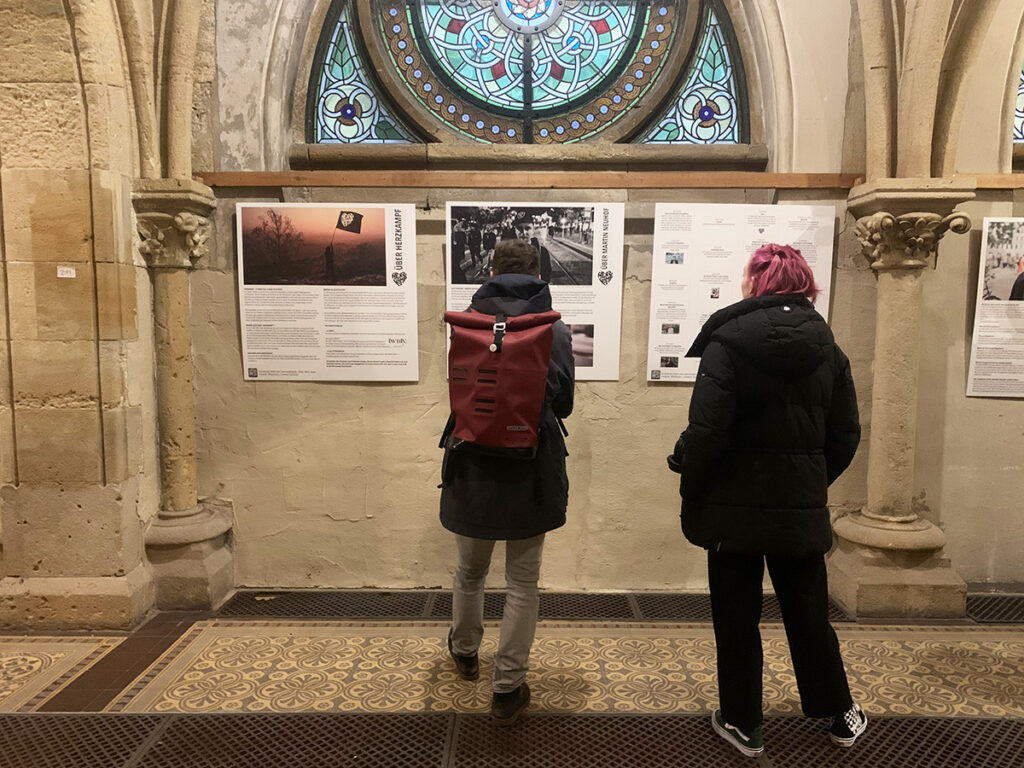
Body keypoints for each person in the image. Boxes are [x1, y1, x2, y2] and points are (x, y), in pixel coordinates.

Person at [671, 243, 864, 757]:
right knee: (808, 613)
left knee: (736, 618)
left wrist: (694, 490)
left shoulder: (726, 343)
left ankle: (742, 724)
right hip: (799, 511)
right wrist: (810, 484)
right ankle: (840, 714)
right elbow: (845, 435)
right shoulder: (829, 348)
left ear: (755, 283)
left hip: (732, 514)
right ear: (805, 286)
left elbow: (707, 433)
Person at [440, 239, 575, 725]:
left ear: (491, 270)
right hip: (529, 468)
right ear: (538, 274)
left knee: (470, 571)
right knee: (522, 580)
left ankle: (464, 652)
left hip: (472, 461)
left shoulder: (468, 325)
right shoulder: (552, 330)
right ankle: (507, 686)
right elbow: (564, 405)